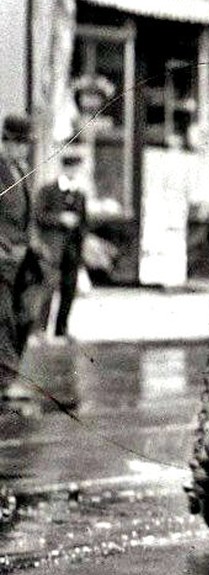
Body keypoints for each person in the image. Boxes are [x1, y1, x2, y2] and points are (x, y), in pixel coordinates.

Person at [1, 116, 42, 399]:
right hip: (2, 255)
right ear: (8, 142)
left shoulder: (22, 170)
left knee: (26, 315)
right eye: (20, 144)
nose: (25, 150)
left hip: (23, 258)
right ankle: (5, 382)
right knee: (2, 318)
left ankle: (7, 376)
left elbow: (28, 215)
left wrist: (34, 244)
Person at [34, 148, 89, 338]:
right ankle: (40, 329)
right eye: (70, 168)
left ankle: (61, 329)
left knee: (69, 289)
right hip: (52, 248)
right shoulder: (48, 190)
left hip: (72, 250)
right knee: (48, 288)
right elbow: (39, 216)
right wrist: (60, 219)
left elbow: (84, 223)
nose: (73, 172)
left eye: (76, 169)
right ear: (63, 168)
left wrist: (81, 251)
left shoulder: (80, 194)